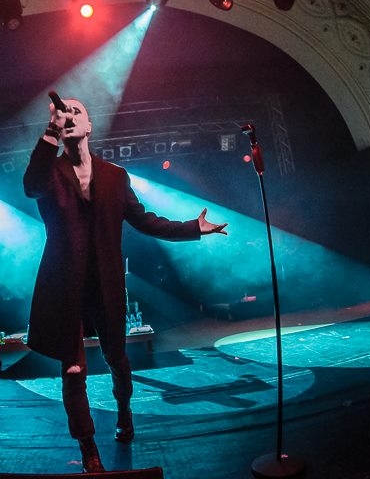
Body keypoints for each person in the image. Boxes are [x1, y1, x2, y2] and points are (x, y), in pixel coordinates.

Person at [23, 95, 228, 473]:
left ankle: (123, 409)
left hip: (106, 283)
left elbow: (145, 220)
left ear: (89, 126)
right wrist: (51, 128)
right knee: (73, 370)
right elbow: (31, 186)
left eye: (76, 112)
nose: (69, 116)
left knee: (117, 358)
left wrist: (192, 228)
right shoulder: (50, 171)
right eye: (63, 113)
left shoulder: (115, 176)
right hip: (65, 286)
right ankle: (88, 449)